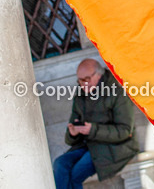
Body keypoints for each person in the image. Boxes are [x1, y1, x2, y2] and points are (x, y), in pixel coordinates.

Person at [53, 58, 139, 189]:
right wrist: (73, 133)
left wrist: (92, 130)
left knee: (75, 174)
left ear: (98, 75)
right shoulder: (80, 95)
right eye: (80, 80)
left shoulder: (116, 92)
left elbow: (125, 131)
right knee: (60, 164)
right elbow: (70, 139)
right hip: (88, 145)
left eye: (86, 79)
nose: (83, 84)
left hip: (115, 147)